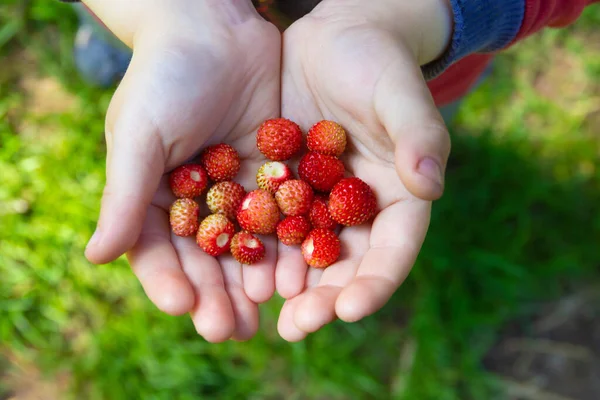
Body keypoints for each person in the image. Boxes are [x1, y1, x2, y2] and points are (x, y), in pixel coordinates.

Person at [58, 0, 598, 342]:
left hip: (406, 59)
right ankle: (119, 36)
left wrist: (408, 14)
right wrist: (159, 15)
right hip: (175, 28)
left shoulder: (304, 170)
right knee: (119, 36)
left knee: (409, 120)